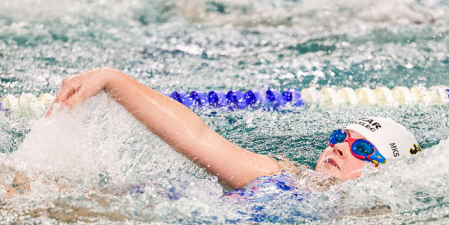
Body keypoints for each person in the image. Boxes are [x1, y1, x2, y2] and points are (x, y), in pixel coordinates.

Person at [46, 67, 421, 194]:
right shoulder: (286, 176)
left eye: (364, 151)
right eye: (342, 137)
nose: (340, 149)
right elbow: (199, 137)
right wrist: (113, 80)